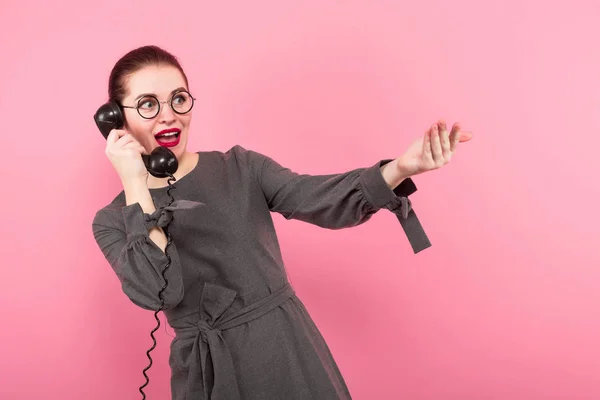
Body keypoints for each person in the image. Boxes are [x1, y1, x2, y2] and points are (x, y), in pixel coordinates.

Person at [91, 45, 472, 400]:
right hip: (205, 373)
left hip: (282, 350)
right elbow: (159, 292)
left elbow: (316, 197)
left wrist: (400, 168)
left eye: (178, 98)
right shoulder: (111, 221)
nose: (168, 114)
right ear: (116, 119)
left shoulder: (240, 167)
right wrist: (135, 184)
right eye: (147, 104)